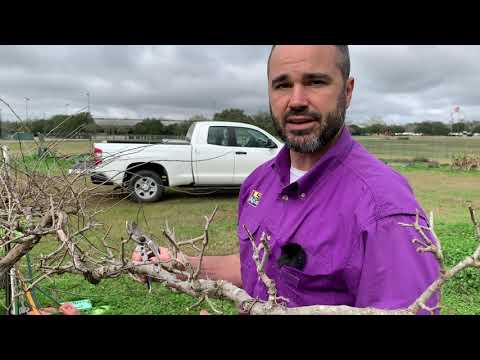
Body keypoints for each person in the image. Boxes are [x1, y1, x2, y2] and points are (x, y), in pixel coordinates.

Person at [133, 45, 440, 313]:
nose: (296, 100)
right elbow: (255, 268)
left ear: (347, 90)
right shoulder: (258, 183)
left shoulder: (385, 209)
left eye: (315, 81)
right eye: (282, 85)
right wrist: (179, 263)